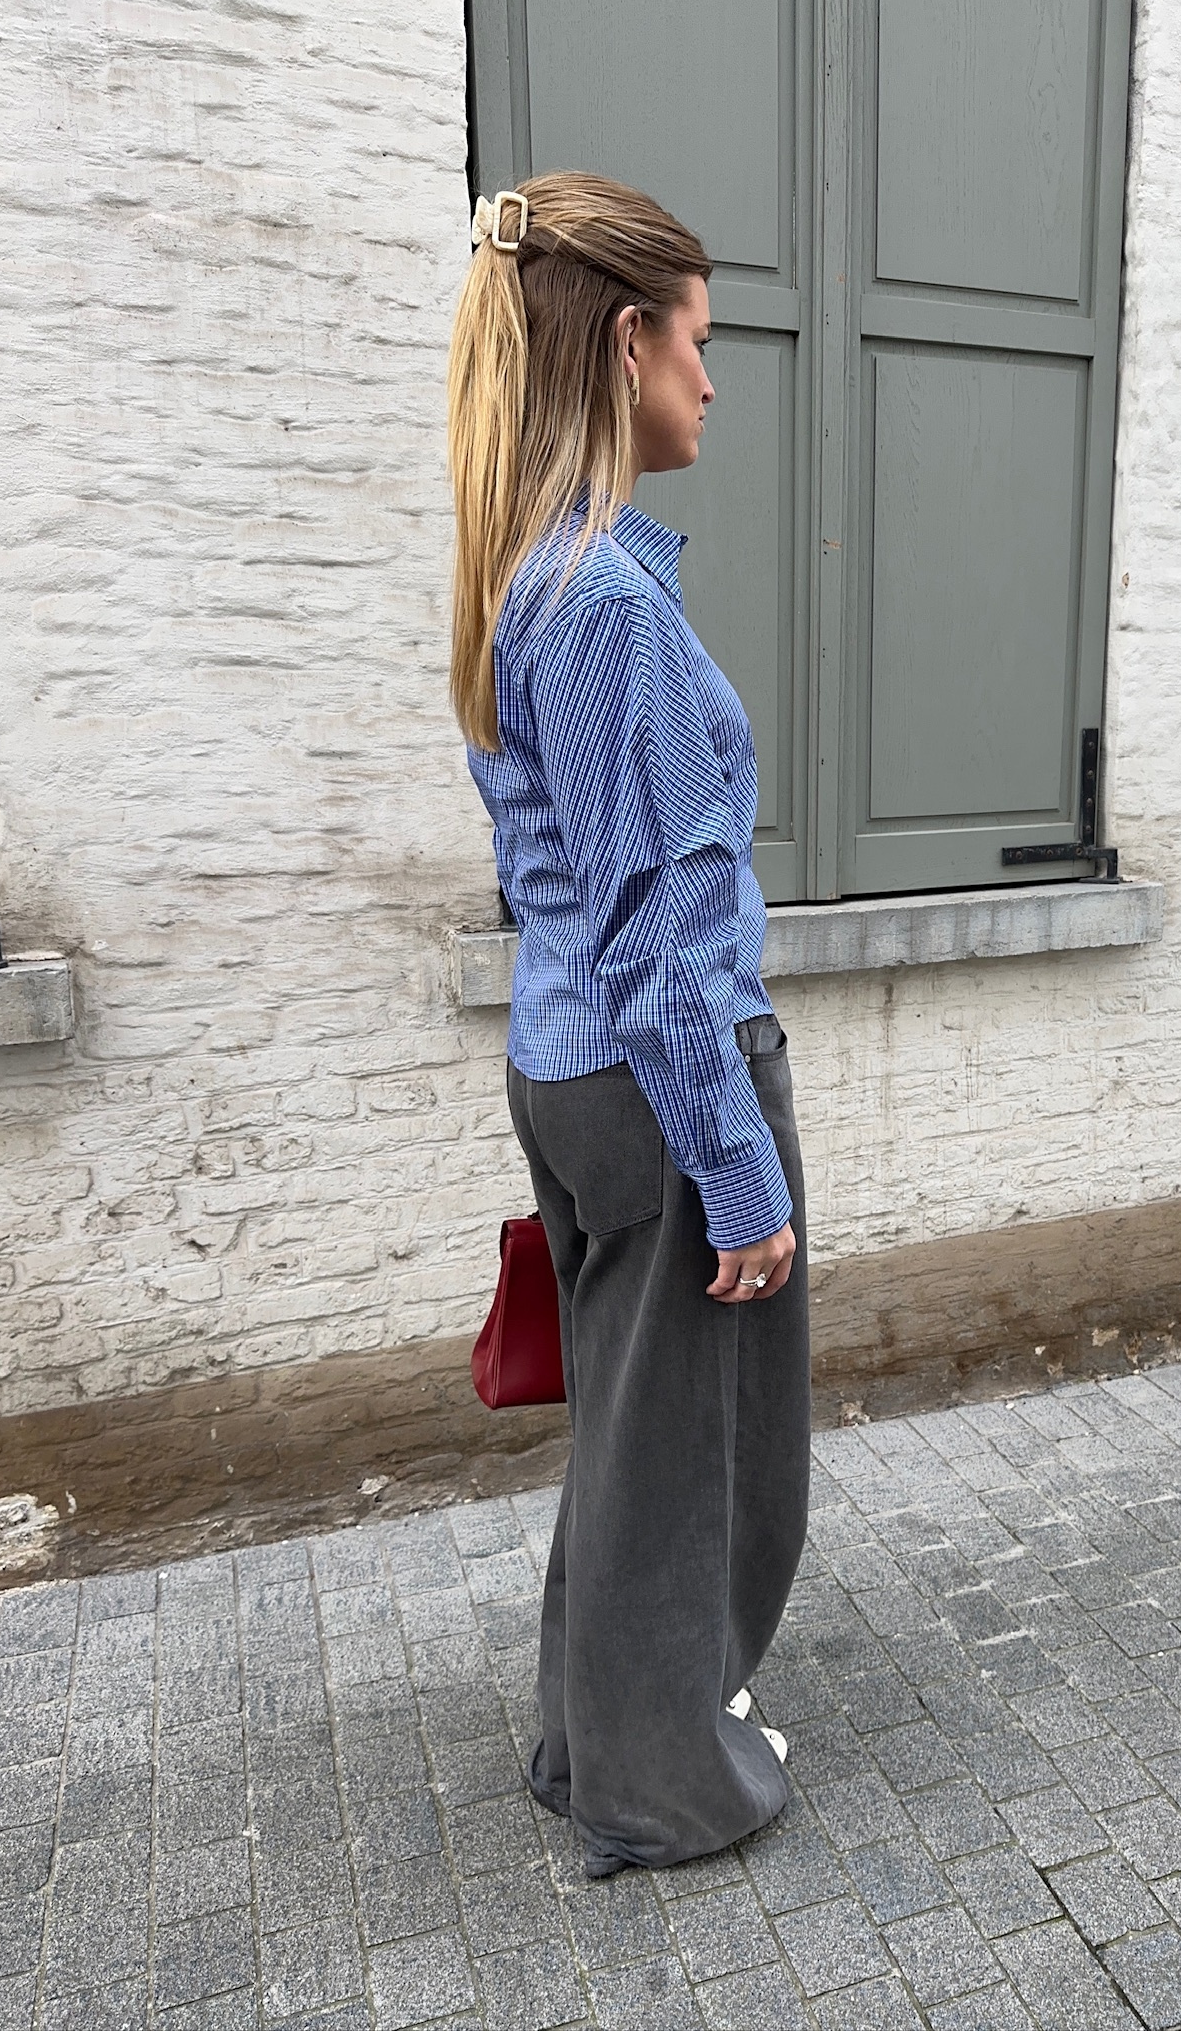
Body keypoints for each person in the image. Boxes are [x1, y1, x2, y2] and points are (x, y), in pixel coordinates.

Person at [448, 173, 811, 1877]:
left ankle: (589, 1743)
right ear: (623, 346)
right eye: (697, 344)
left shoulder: (531, 574)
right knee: (690, 1454)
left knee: (631, 1432)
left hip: (576, 1063)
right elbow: (657, 935)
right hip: (660, 1077)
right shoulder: (599, 601)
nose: (712, 382)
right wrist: (738, 1173)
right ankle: (660, 1786)